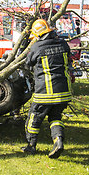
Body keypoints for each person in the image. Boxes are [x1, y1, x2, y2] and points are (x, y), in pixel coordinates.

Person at [22, 19, 73, 159]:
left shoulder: (37, 47)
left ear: (38, 35)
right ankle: (58, 140)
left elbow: (27, 65)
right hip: (63, 91)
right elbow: (69, 60)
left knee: (34, 118)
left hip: (45, 92)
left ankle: (31, 146)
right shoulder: (63, 44)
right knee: (55, 117)